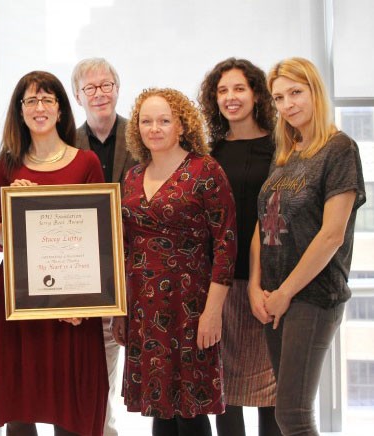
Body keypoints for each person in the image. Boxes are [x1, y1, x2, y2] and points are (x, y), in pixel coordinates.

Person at [0, 70, 108, 436]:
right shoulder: (8, 163)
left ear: (61, 109)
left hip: (71, 302)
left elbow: (98, 239)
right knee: (20, 406)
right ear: (19, 111)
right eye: (31, 100)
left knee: (72, 409)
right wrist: (19, 204)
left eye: (47, 100)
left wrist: (84, 303)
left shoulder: (86, 163)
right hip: (18, 299)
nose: (39, 108)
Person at [250, 57, 366, 435]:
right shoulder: (287, 154)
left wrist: (285, 292)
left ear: (315, 91)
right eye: (279, 97)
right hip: (274, 296)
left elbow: (332, 235)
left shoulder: (339, 149)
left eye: (296, 93)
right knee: (288, 411)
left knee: (293, 415)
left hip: (312, 297)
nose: (288, 105)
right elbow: (262, 222)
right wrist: (256, 285)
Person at [115, 88, 237, 436]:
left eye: (164, 121)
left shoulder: (206, 170)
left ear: (181, 126)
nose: (154, 128)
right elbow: (125, 247)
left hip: (191, 308)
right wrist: (120, 311)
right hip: (144, 309)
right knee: (160, 409)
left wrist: (212, 312)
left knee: (190, 410)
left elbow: (226, 246)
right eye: (146, 121)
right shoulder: (132, 177)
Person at [198, 58, 280, 436]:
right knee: (224, 393)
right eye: (222, 90)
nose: (231, 98)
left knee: (273, 396)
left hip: (269, 285)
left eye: (239, 89)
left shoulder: (282, 148)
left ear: (256, 94)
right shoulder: (209, 153)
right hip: (221, 284)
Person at [71, 57, 137, 436]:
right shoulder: (67, 143)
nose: (100, 94)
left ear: (117, 87)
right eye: (91, 88)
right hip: (87, 273)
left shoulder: (143, 136)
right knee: (96, 369)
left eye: (106, 85)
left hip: (140, 270)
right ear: (78, 96)